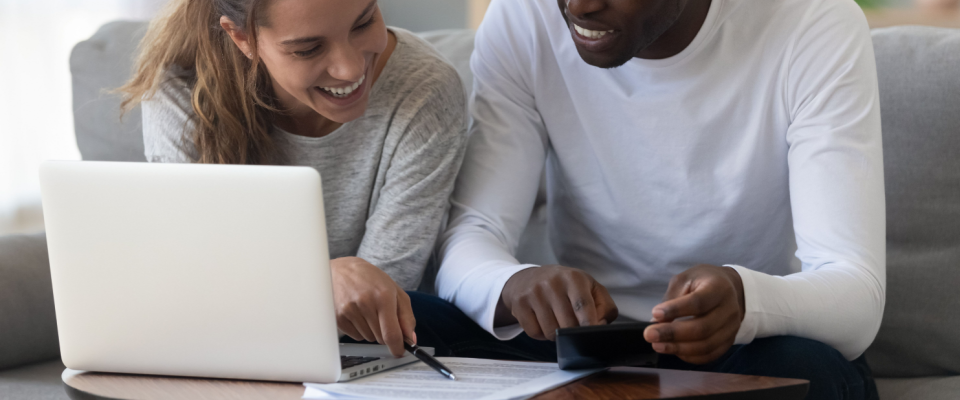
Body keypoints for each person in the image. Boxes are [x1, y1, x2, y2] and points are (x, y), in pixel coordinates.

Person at [436, 0, 885, 398]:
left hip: (745, 346)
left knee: (801, 369)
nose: (578, 6)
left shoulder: (812, 21)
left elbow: (856, 292)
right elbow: (473, 233)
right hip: (583, 343)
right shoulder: (523, 16)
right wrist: (511, 285)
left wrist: (745, 299)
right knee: (414, 322)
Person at [120, 0, 467, 358]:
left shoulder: (424, 88)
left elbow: (381, 301)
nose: (349, 69)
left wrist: (283, 287)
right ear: (242, 38)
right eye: (308, 48)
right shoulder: (183, 90)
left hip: (372, 359)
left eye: (364, 23)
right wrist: (318, 281)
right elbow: (197, 284)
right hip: (231, 353)